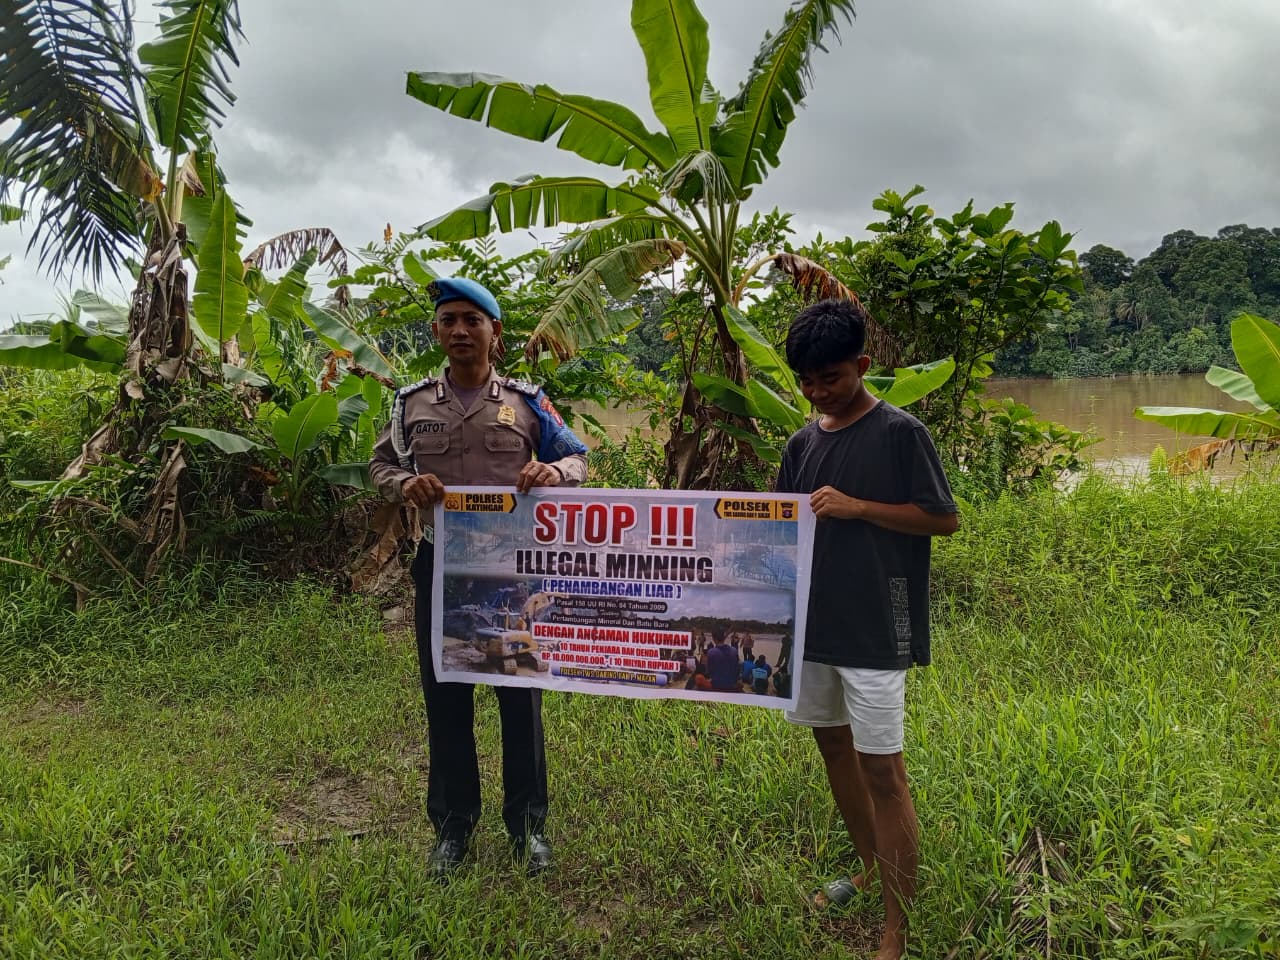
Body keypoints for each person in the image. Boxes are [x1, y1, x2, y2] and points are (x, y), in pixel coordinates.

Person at [369, 276, 588, 880]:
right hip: (442, 565)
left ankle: (527, 828)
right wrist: (403, 484)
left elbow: (580, 456)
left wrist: (554, 473)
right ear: (437, 332)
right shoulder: (411, 403)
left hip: (513, 572)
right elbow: (381, 463)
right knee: (446, 699)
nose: (460, 330)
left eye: (473, 320)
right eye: (449, 321)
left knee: (519, 697)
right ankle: (453, 829)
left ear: (495, 331)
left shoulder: (527, 401)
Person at [775, 298, 958, 960]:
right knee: (832, 748)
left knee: (884, 770)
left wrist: (857, 508)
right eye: (807, 381)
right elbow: (780, 527)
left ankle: (895, 928)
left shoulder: (900, 432)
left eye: (832, 376)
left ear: (863, 364)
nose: (819, 391)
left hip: (877, 625)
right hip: (814, 626)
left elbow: (942, 519)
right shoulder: (801, 442)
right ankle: (868, 865)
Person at [705, 627, 740, 692]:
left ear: (713, 638)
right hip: (731, 684)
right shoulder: (734, 650)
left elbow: (709, 671)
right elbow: (737, 669)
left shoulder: (711, 652)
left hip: (717, 684)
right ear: (724, 637)